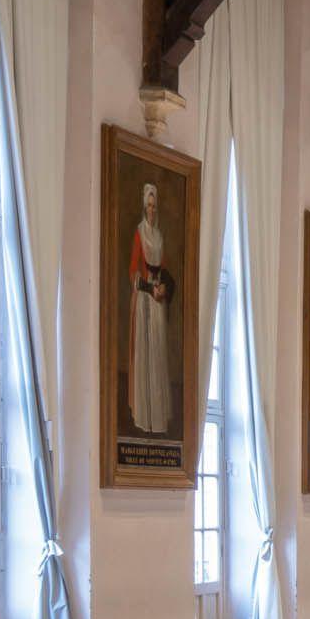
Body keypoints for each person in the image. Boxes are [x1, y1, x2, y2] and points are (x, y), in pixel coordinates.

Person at [127, 183, 175, 436]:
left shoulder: (159, 237)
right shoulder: (140, 233)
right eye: (149, 206)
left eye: (155, 207)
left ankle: (158, 417)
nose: (152, 211)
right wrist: (149, 288)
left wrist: (163, 287)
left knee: (158, 355)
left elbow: (163, 269)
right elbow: (133, 273)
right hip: (145, 299)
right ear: (144, 207)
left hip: (158, 302)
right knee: (146, 354)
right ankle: (145, 416)